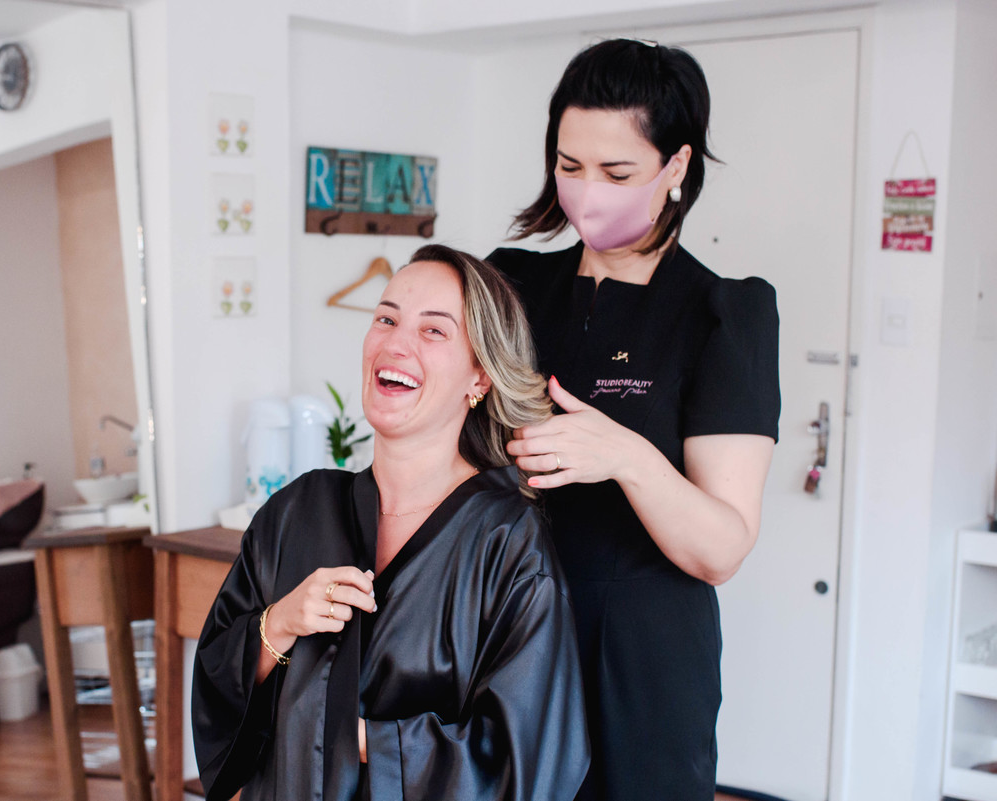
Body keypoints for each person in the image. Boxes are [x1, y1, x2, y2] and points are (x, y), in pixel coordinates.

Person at [486, 38, 781, 801]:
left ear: (676, 165)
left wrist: (626, 455)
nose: (588, 193)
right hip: (506, 632)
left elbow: (721, 548)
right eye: (569, 165)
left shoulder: (725, 314)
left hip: (642, 660)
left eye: (617, 173)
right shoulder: (510, 285)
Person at [191, 244, 590, 801]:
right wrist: (279, 623)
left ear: (480, 377)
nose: (396, 344)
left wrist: (359, 743)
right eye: (386, 319)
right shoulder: (296, 511)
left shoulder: (507, 542)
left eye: (434, 330)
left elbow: (529, 758)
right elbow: (215, 689)